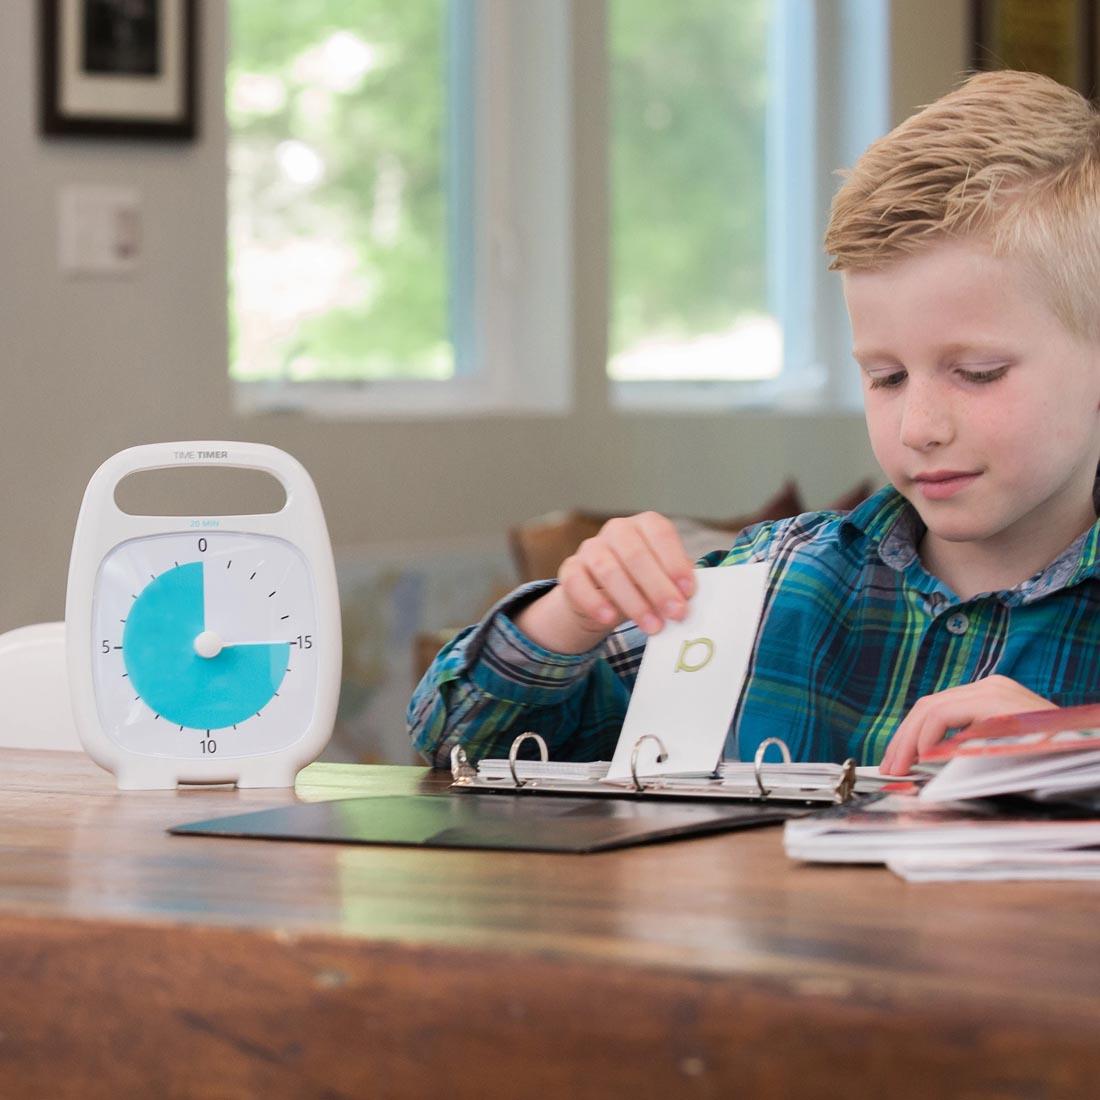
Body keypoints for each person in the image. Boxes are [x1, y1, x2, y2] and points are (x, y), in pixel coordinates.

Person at [408, 70, 1100, 775]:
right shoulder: (770, 583)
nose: (919, 426)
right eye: (884, 377)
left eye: (978, 371)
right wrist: (568, 616)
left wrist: (1075, 757)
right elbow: (455, 742)